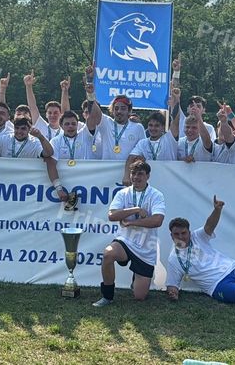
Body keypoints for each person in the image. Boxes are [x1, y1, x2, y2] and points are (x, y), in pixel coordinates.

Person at [93, 160, 165, 307]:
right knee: (108, 254)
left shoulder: (156, 195)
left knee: (140, 297)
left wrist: (132, 223)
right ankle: (107, 296)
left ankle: (136, 279)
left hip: (145, 249)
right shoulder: (123, 193)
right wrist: (136, 209)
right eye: (133, 173)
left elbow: (157, 220)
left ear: (148, 176)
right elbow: (112, 215)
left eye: (140, 174)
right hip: (125, 240)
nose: (136, 177)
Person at [84, 93, 147, 162]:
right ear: (112, 111)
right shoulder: (106, 123)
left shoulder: (138, 127)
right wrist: (90, 93)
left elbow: (143, 151)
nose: (119, 111)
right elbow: (94, 112)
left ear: (129, 111)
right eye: (116, 108)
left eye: (123, 108)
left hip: (128, 168)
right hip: (108, 168)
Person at [125, 111, 178, 183]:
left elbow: (176, 121)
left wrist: (174, 104)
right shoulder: (142, 143)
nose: (153, 128)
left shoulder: (169, 139)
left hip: (169, 180)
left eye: (157, 126)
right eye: (150, 125)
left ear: (163, 127)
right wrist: (126, 176)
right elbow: (131, 158)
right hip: (150, 181)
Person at [23, 70, 63, 140]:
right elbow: (32, 106)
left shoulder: (64, 132)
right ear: (46, 115)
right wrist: (28, 86)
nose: (52, 115)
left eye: (55, 113)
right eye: (49, 113)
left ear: (61, 114)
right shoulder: (41, 125)